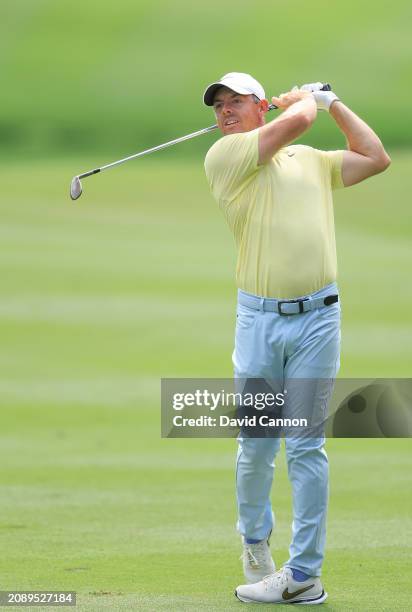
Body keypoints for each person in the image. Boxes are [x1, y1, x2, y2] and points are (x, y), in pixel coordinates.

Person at [203, 72, 390, 604]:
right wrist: (309, 102)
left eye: (236, 102)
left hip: (319, 319)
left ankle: (304, 573)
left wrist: (335, 103)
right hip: (258, 321)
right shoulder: (227, 157)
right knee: (258, 445)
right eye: (218, 106)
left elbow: (375, 157)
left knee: (306, 445)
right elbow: (301, 118)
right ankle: (255, 538)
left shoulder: (310, 159)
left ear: (261, 105)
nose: (224, 112)